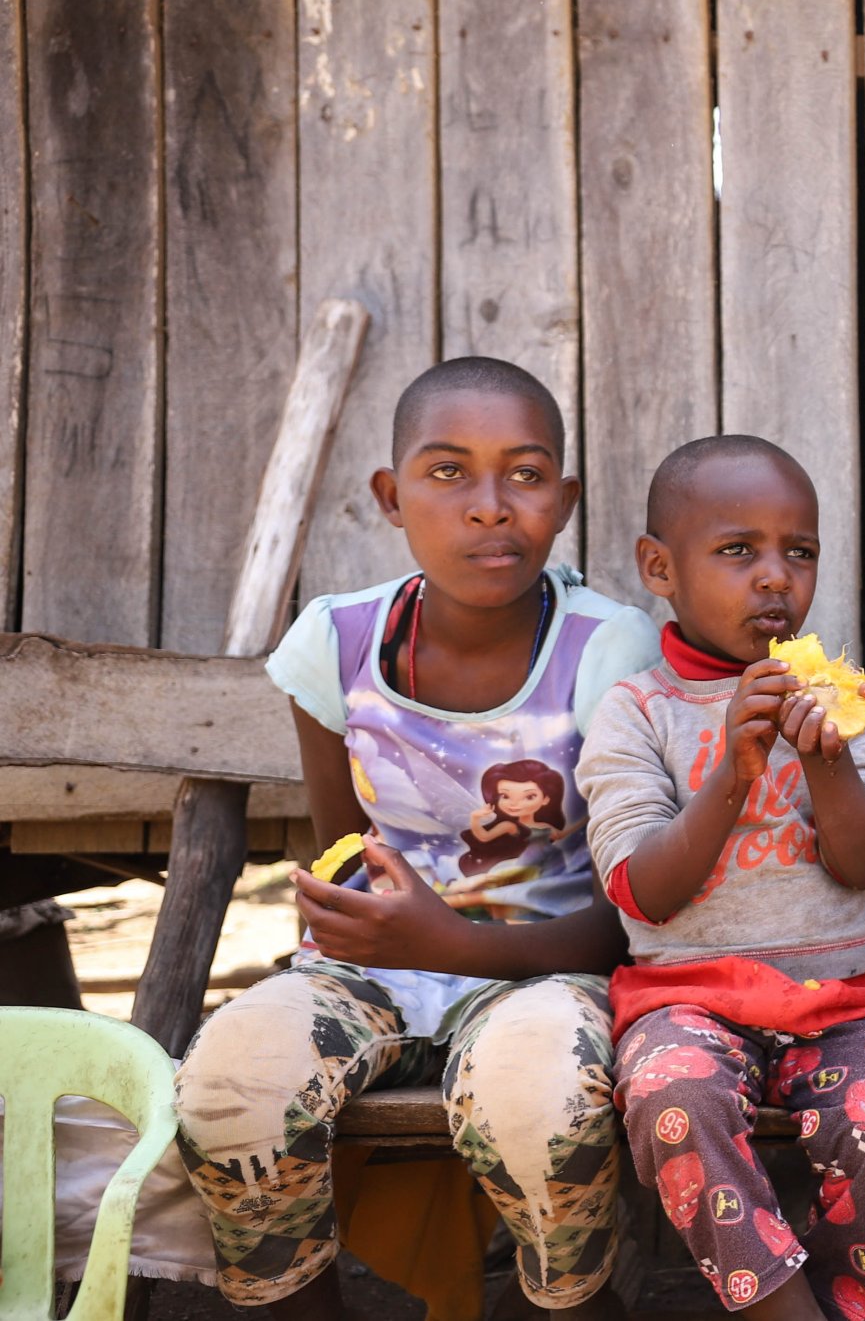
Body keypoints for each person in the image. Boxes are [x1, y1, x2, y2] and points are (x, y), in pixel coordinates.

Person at [174, 357, 658, 1319]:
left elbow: (633, 915)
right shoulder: (337, 643)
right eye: (447, 472)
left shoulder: (605, 649)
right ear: (391, 497)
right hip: (376, 969)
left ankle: (566, 1301)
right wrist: (362, 926)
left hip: (548, 968)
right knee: (231, 1086)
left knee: (540, 1099)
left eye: (525, 474)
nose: (489, 505)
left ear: (563, 502)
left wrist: (452, 943)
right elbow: (345, 852)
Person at [579, 436, 865, 1321]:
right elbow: (641, 888)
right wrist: (733, 776)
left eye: (799, 551)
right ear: (660, 567)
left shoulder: (848, 703)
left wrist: (827, 760)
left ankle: (844, 1299)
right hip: (687, 997)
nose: (776, 576)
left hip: (848, 997)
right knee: (674, 1095)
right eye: (739, 550)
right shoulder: (636, 712)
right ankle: (777, 1307)